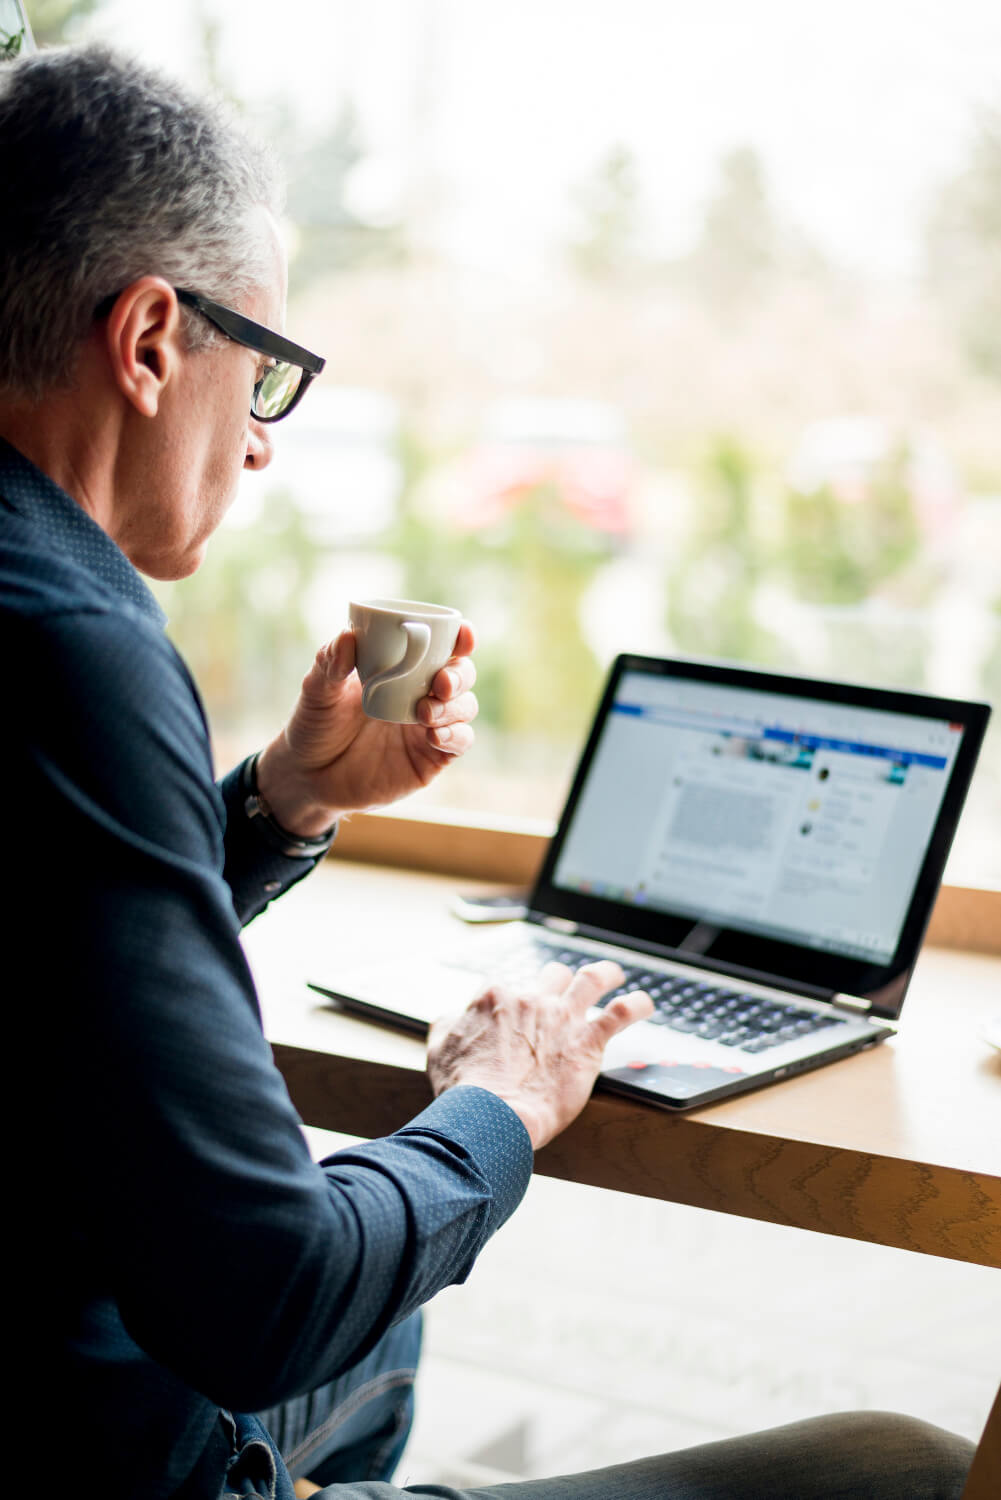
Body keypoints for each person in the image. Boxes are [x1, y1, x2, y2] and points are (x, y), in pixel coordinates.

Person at [0, 40, 975, 1500]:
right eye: (262, 375)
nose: (260, 448)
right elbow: (265, 1300)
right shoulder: (75, 637)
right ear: (148, 342)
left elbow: (46, 928)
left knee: (384, 1341)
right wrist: (501, 1101)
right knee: (898, 1466)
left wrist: (285, 800)